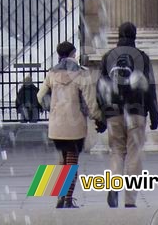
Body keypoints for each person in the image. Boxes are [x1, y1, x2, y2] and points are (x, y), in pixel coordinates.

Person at [97, 21, 158, 209]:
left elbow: (100, 87)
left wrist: (101, 115)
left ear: (118, 35)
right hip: (136, 111)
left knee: (116, 151)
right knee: (134, 154)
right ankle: (130, 200)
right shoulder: (142, 57)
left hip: (114, 111)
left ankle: (114, 185)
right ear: (135, 35)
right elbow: (150, 88)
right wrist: (154, 115)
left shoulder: (108, 57)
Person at [37, 41, 104, 209]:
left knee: (62, 160)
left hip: (57, 124)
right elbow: (90, 102)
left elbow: (40, 95)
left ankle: (60, 196)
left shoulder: (52, 73)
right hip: (75, 124)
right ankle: (67, 198)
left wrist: (50, 108)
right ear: (74, 54)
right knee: (72, 161)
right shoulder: (82, 74)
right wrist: (98, 118)